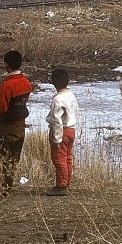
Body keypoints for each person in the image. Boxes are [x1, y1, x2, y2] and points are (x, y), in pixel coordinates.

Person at [0, 50, 32, 198]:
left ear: (6, 65)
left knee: (0, 157)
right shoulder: (26, 82)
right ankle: (7, 187)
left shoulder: (6, 85)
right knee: (13, 158)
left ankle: (1, 190)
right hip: (20, 126)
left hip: (7, 127)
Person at [45, 68, 78, 196]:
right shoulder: (71, 95)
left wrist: (57, 138)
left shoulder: (57, 99)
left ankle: (61, 185)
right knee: (68, 157)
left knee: (59, 158)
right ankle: (66, 181)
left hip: (62, 131)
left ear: (53, 82)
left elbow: (57, 121)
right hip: (71, 129)